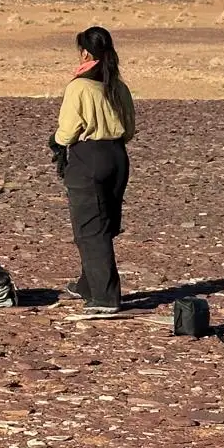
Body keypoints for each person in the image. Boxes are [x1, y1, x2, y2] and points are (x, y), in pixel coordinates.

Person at [50, 26, 136, 313]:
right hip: (118, 157)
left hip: (89, 157)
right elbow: (130, 130)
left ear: (85, 52)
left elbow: (68, 130)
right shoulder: (118, 87)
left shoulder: (79, 87)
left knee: (89, 228)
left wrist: (57, 143)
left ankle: (105, 297)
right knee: (105, 223)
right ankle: (87, 285)